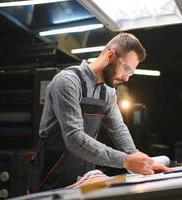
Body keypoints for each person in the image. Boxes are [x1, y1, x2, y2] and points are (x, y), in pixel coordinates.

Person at [28, 33, 171, 193]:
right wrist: (125, 161)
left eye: (131, 73)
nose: (126, 78)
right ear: (110, 55)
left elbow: (118, 129)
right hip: (51, 175)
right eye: (126, 69)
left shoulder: (108, 92)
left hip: (83, 175)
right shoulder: (68, 82)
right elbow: (74, 138)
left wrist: (141, 161)